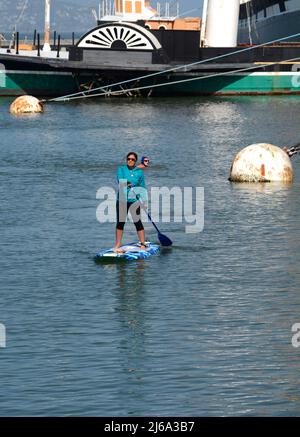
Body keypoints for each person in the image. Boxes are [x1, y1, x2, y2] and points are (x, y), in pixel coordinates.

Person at [114, 152, 148, 253]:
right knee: (120, 223)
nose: (130, 161)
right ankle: (118, 244)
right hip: (122, 199)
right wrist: (125, 182)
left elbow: (142, 187)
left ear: (135, 161)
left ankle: (142, 243)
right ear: (126, 160)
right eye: (128, 159)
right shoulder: (121, 169)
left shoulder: (139, 172)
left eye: (132, 159)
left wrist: (144, 200)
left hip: (134, 200)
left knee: (137, 222)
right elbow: (120, 179)